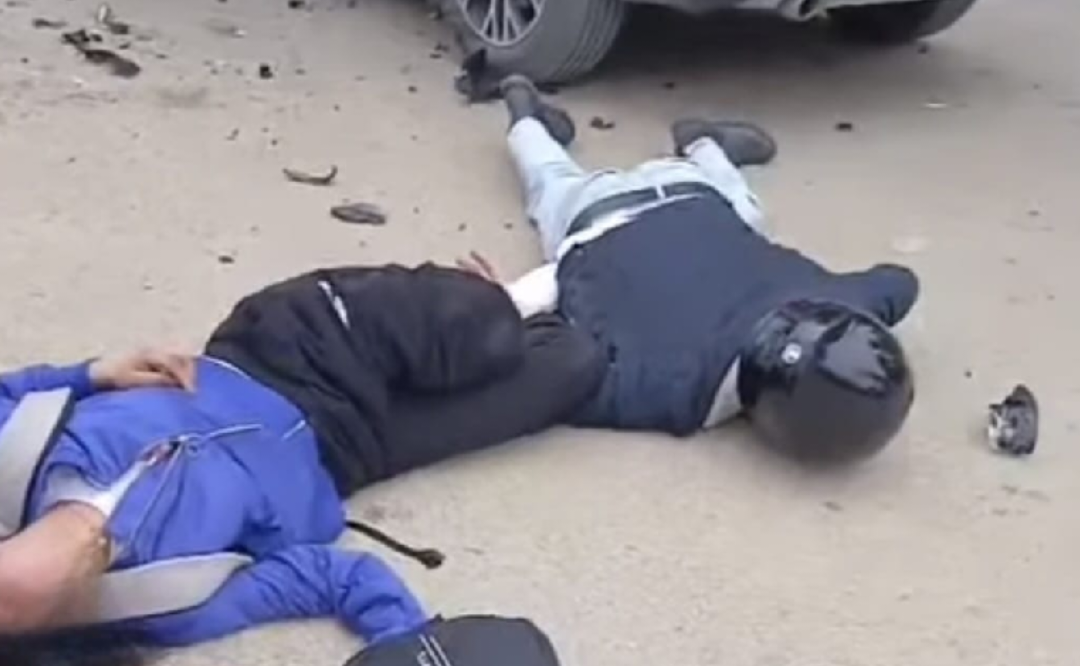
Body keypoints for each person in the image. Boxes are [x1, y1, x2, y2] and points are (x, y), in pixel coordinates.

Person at [0, 262, 604, 657]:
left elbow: (11, 391)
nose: (90, 527)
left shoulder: (12, 460)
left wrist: (91, 373)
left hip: (283, 349)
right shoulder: (167, 600)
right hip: (346, 450)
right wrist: (406, 645)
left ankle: (507, 298)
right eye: (95, 550)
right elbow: (338, 578)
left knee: (479, 323)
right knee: (574, 364)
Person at [490, 75, 919, 462]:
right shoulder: (674, 390)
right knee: (550, 177)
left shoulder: (841, 301)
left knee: (746, 215)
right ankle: (527, 122)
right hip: (596, 213)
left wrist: (869, 322)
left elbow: (900, 283)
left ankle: (702, 145)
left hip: (688, 187)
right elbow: (556, 384)